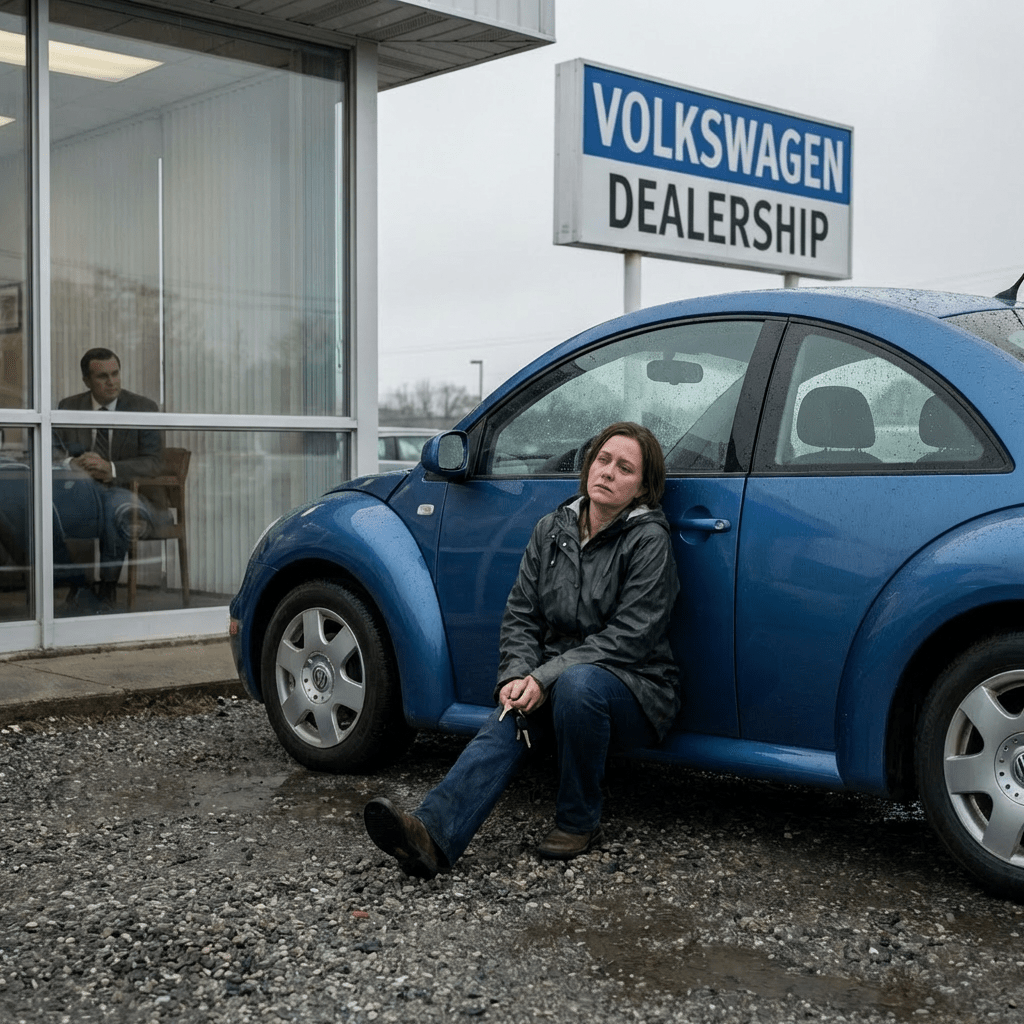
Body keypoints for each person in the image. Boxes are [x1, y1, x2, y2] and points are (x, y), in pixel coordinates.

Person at [364, 421, 681, 878]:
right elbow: (520, 616)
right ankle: (430, 835)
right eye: (603, 460)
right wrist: (517, 675)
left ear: (642, 489)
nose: (608, 472)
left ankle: (579, 821)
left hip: (634, 687)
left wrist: (544, 677)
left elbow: (631, 636)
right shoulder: (552, 528)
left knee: (578, 684)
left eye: (625, 468)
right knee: (514, 710)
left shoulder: (648, 539)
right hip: (555, 678)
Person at [54, 348, 164, 607]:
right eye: (102, 376)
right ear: (86, 380)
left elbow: (155, 462)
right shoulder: (69, 407)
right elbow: (52, 448)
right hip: (82, 490)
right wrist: (72, 463)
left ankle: (107, 588)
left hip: (130, 491)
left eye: (115, 374)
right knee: (53, 509)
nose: (112, 381)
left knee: (114, 506)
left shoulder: (143, 408)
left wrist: (111, 468)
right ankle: (79, 583)